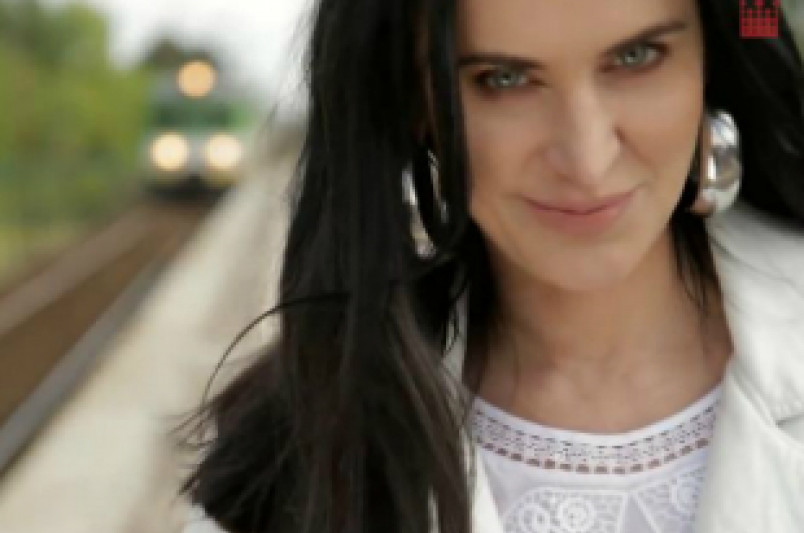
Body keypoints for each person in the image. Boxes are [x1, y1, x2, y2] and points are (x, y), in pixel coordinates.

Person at [177, 0, 804, 532]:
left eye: (636, 57)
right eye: (504, 79)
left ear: (713, 59)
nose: (587, 160)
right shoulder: (284, 474)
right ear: (415, 102)